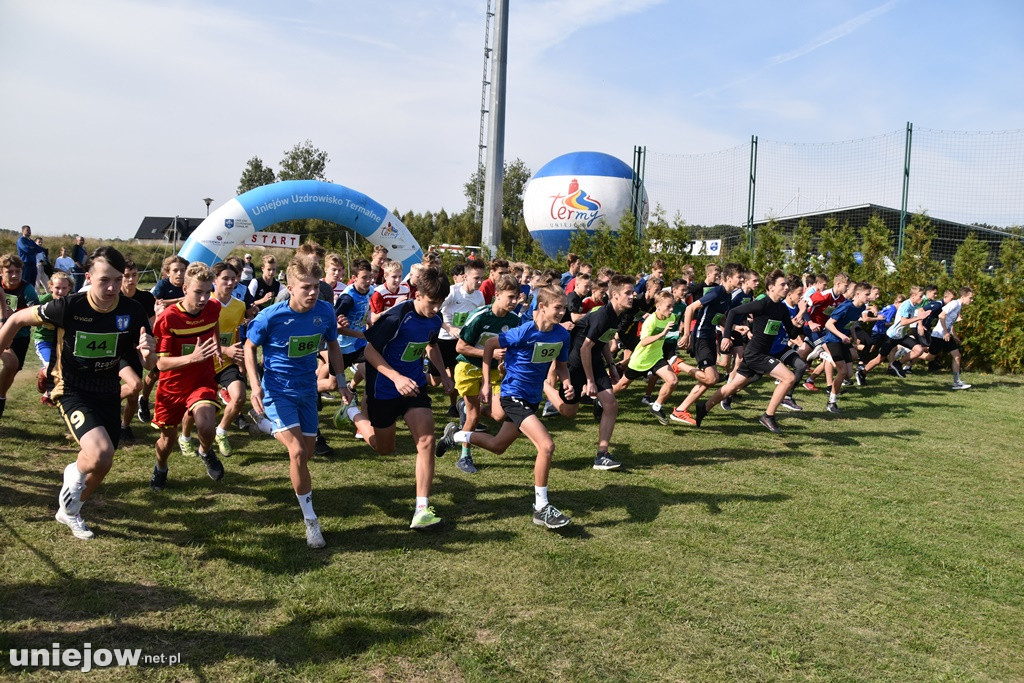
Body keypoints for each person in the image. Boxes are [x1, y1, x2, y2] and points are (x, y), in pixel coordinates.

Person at [0, 246, 155, 539]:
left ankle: (71, 511)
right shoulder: (69, 306)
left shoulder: (132, 311)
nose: (112, 288)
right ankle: (74, 471)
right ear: (89, 276)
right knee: (100, 452)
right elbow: (17, 319)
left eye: (117, 279)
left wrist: (148, 354)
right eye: (104, 280)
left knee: (104, 462)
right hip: (71, 388)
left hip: (108, 390)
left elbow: (149, 362)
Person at [436, 284, 575, 529]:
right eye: (557, 307)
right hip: (513, 395)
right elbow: (490, 346)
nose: (562, 312)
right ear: (541, 307)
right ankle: (541, 507)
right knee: (546, 445)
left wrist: (567, 383)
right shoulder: (523, 332)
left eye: (564, 308)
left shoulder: (562, 335)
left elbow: (561, 365)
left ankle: (455, 435)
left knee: (498, 446)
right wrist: (488, 383)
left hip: (532, 398)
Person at [245, 256, 352, 548]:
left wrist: (341, 382)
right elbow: (249, 346)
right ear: (290, 288)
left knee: (307, 453)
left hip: (308, 390)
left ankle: (266, 426)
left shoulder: (325, 312)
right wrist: (255, 385)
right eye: (305, 287)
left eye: (316, 286)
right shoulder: (271, 316)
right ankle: (311, 521)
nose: (312, 292)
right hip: (278, 390)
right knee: (296, 453)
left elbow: (333, 345)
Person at [335, 266, 453, 530]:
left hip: (414, 385)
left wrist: (443, 373)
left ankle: (422, 508)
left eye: (440, 303)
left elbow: (431, 345)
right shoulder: (397, 317)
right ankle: (352, 412)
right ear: (418, 294)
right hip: (385, 389)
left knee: (426, 440)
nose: (436, 309)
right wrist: (396, 378)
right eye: (432, 302)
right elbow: (370, 351)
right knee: (384, 448)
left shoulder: (435, 318)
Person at [692, 270, 802, 435]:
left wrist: (798, 323)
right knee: (789, 378)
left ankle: (704, 406)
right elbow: (733, 312)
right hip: (756, 354)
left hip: (758, 354)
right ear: (771, 287)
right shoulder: (762, 304)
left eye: (787, 284)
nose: (786, 287)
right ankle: (768, 415)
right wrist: (727, 336)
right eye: (783, 285)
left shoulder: (782, 309)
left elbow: (792, 334)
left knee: (733, 386)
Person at [149, 263, 225, 491]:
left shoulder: (213, 307)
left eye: (207, 291)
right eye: (197, 292)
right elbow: (160, 363)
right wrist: (192, 357)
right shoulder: (168, 318)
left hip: (201, 380)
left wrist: (218, 347)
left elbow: (214, 323)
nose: (203, 298)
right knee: (166, 441)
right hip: (172, 386)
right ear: (184, 289)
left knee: (207, 425)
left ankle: (204, 451)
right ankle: (160, 468)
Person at [446, 274, 522, 473]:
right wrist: (489, 352)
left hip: (495, 370)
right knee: (473, 416)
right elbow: (460, 347)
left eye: (517, 297)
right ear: (497, 294)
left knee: (499, 414)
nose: (514, 302)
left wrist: (505, 362)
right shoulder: (480, 317)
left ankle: (465, 409)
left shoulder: (514, 320)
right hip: (469, 368)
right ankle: (465, 457)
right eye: (510, 297)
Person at [562, 274, 637, 470]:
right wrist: (590, 381)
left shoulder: (616, 315)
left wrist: (611, 365)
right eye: (628, 293)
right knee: (569, 412)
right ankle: (546, 384)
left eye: (633, 292)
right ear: (615, 295)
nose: (632, 296)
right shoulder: (603, 315)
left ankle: (601, 455)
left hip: (594, 361)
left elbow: (603, 342)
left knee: (611, 404)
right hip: (576, 363)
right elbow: (585, 348)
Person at [179, 261, 249, 457]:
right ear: (214, 281)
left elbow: (236, 333)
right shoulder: (202, 302)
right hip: (202, 363)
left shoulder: (240, 305)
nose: (229, 283)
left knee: (240, 397)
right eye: (225, 278)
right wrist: (225, 349)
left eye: (233, 279)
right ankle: (184, 437)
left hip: (225, 363)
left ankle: (222, 432)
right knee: (194, 409)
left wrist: (238, 359)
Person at [670, 263, 742, 425]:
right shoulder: (716, 292)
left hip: (710, 338)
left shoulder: (728, 295)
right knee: (710, 379)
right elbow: (690, 308)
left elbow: (720, 317)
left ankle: (681, 410)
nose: (741, 279)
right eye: (739, 277)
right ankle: (678, 364)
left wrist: (733, 329)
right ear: (729, 278)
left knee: (712, 379)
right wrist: (687, 334)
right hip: (701, 337)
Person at [612, 289, 678, 425]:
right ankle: (601, 399)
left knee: (673, 381)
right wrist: (662, 333)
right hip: (640, 359)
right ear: (658, 306)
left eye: (672, 306)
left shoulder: (671, 318)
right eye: (668, 306)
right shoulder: (651, 321)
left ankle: (656, 406)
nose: (671, 310)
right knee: (621, 386)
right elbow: (643, 341)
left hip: (656, 358)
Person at [435, 259, 486, 417]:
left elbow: (479, 319)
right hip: (444, 338)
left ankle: (457, 406)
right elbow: (435, 310)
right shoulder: (453, 292)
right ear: (465, 277)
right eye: (476, 278)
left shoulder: (479, 297)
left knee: (459, 372)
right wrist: (449, 328)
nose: (479, 282)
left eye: (481, 278)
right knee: (435, 380)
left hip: (463, 340)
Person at [0, 254, 40, 418]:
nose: (14, 275)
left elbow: (37, 315)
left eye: (18, 271)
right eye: (9, 271)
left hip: (19, 337)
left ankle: (1, 396)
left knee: (12, 369)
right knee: (11, 363)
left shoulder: (27, 289)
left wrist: (17, 317)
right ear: (1, 272)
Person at [821, 282, 871, 413]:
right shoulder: (845, 307)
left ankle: (827, 357)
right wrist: (842, 335)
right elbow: (828, 324)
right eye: (867, 294)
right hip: (833, 340)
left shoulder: (861, 307)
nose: (869, 297)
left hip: (844, 341)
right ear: (858, 294)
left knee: (848, 374)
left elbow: (853, 323)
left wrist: (854, 335)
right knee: (842, 372)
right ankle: (831, 402)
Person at [32, 270, 74, 403]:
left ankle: (49, 392)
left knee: (64, 368)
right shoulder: (43, 301)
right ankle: (44, 378)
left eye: (64, 288)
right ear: (50, 287)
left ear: (70, 288)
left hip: (62, 342)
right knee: (51, 366)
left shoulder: (72, 303)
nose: (60, 291)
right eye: (57, 288)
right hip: (44, 341)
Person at [930, 286, 974, 390]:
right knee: (929, 357)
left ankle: (956, 382)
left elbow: (950, 321)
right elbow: (941, 316)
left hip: (946, 335)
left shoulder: (959, 306)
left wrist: (954, 335)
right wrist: (945, 332)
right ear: (963, 296)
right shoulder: (954, 304)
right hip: (939, 335)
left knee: (957, 355)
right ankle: (907, 352)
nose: (971, 300)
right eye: (970, 298)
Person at [368, 259, 411, 324]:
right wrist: (395, 307)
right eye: (394, 277)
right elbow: (374, 319)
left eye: (400, 276)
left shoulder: (405, 290)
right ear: (386, 276)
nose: (397, 280)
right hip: (384, 327)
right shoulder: (379, 293)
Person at [16, 226, 45, 292]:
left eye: (30, 230)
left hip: (33, 264)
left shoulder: (31, 241)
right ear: (23, 231)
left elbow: (39, 249)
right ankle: (23, 297)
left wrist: (32, 248)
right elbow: (27, 249)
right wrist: (33, 249)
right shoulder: (21, 240)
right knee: (25, 281)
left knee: (32, 283)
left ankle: (31, 298)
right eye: (27, 230)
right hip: (25, 264)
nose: (29, 232)